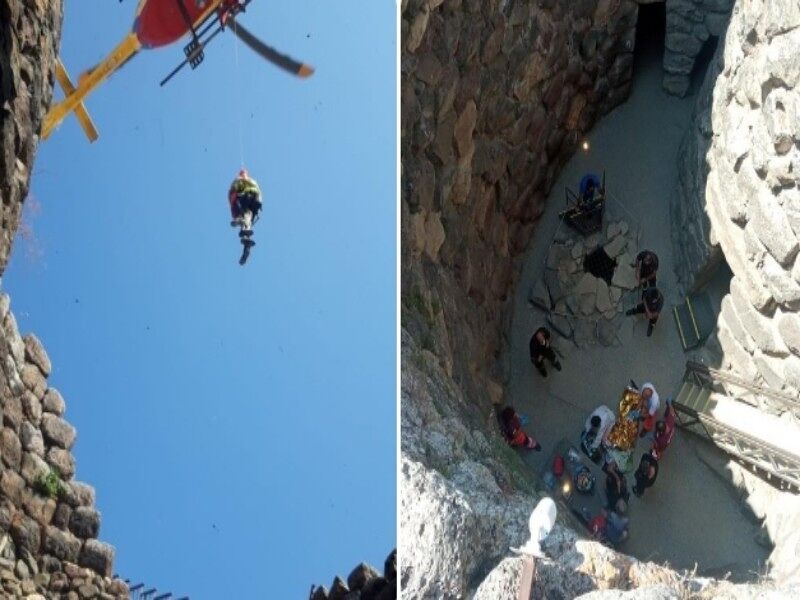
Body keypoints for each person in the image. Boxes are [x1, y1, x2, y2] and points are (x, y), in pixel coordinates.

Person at [228, 169, 263, 264]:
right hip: (254, 202)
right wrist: (259, 206)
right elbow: (259, 193)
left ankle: (241, 221)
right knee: (248, 219)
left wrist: (234, 210)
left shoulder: (240, 180)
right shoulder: (253, 181)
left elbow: (233, 193)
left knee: (245, 214)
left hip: (246, 198)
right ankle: (247, 248)